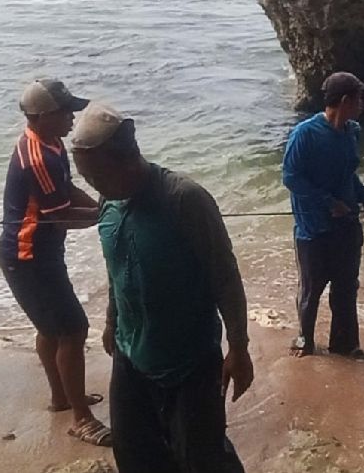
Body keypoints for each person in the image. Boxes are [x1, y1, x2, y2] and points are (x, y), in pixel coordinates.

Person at [71, 102, 253, 473]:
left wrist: (239, 347)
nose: (91, 186)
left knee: (201, 458)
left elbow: (225, 276)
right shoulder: (109, 200)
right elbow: (116, 265)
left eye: (95, 177)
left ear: (127, 160)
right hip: (130, 352)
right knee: (135, 453)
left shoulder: (184, 199)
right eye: (84, 177)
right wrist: (111, 320)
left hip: (189, 361)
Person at [0, 78, 110, 446]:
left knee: (51, 330)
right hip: (28, 257)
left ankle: (62, 397)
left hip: (41, 253)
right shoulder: (38, 157)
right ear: (42, 116)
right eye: (66, 113)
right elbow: (60, 216)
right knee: (72, 330)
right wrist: (106, 216)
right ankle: (81, 418)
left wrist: (100, 203)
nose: (72, 119)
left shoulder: (51, 142)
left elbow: (66, 191)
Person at [282, 72, 364, 359]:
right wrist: (328, 202)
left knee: (346, 287)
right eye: (358, 98)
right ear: (344, 101)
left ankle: (345, 345)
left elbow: (348, 175)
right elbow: (291, 177)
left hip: (347, 224)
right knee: (312, 289)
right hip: (314, 227)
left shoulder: (353, 132)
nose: (362, 103)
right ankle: (305, 340)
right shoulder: (305, 133)